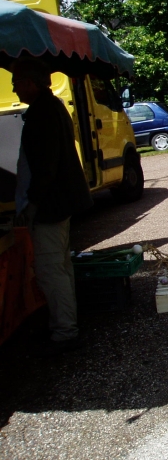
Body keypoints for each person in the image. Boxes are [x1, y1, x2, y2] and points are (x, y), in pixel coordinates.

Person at [12, 58, 93, 357]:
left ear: (31, 83)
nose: (14, 89)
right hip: (57, 203)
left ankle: (64, 332)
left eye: (16, 84)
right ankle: (65, 326)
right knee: (59, 266)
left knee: (50, 270)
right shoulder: (52, 106)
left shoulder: (42, 112)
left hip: (49, 206)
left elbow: (45, 166)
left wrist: (32, 201)